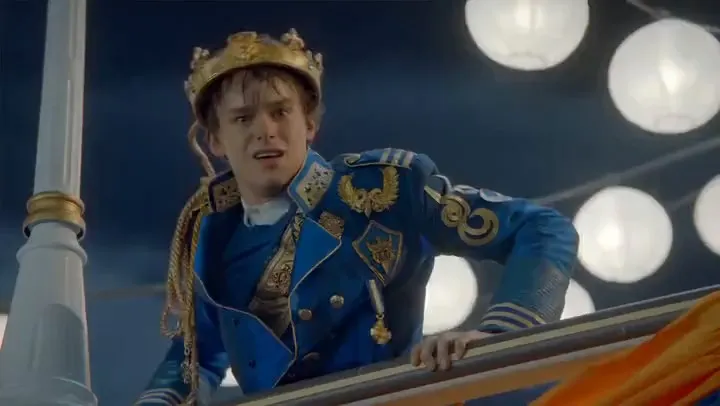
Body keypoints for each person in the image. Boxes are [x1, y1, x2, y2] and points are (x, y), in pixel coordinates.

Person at [135, 29, 579, 405]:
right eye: (242, 118)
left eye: (280, 111)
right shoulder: (210, 240)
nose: (265, 130)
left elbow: (541, 229)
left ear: (310, 126)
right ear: (215, 140)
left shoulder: (383, 190)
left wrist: (499, 332)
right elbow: (194, 357)